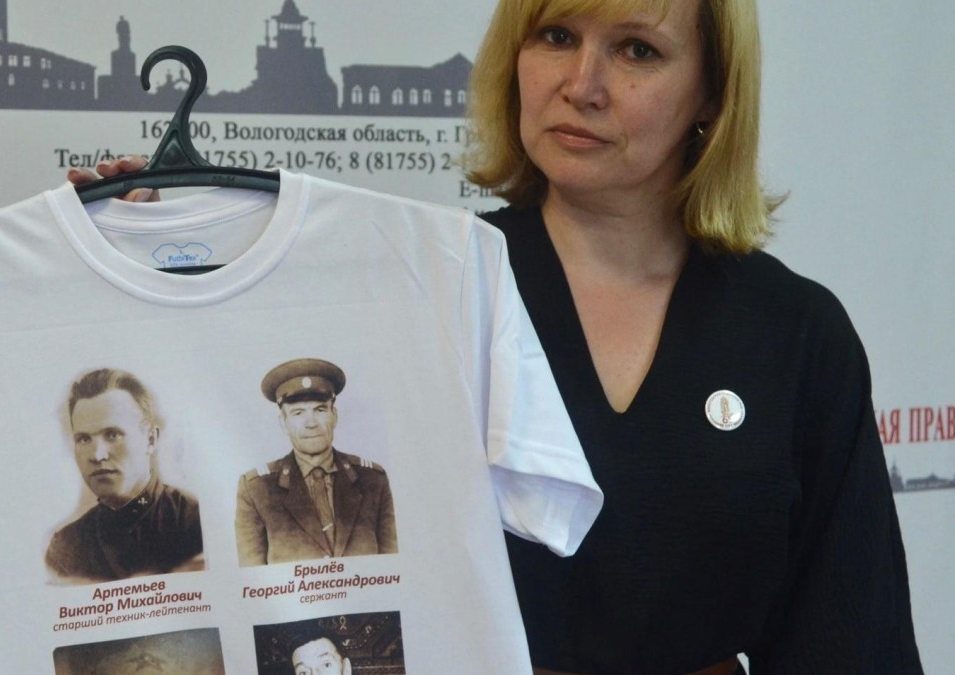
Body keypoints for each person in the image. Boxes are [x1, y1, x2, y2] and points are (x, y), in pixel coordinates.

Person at [69, 0, 921, 670]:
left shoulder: (795, 333)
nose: (582, 83)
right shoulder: (415, 291)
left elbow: (852, 636)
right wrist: (145, 255)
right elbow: (221, 396)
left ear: (711, 92)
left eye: (637, 50)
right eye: (556, 36)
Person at [46, 368, 204, 581]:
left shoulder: (196, 522)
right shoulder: (67, 545)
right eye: (84, 439)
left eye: (112, 435)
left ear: (150, 440)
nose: (97, 455)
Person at [235, 358, 397, 566]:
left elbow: (393, 568)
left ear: (334, 416)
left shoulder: (373, 480)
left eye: (320, 410)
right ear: (283, 423)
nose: (311, 423)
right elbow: (254, 579)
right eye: (298, 413)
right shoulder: (256, 490)